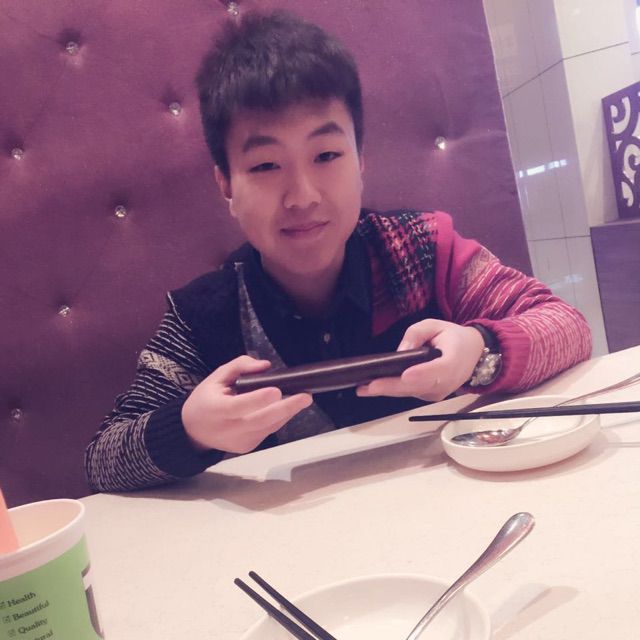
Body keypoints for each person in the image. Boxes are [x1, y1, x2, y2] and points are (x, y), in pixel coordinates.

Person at [85, 10, 592, 492]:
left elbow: (566, 326)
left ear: (361, 161)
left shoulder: (420, 249)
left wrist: (479, 353)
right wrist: (190, 428)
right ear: (226, 185)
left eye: (326, 155)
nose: (302, 196)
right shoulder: (204, 316)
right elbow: (103, 459)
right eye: (265, 166)